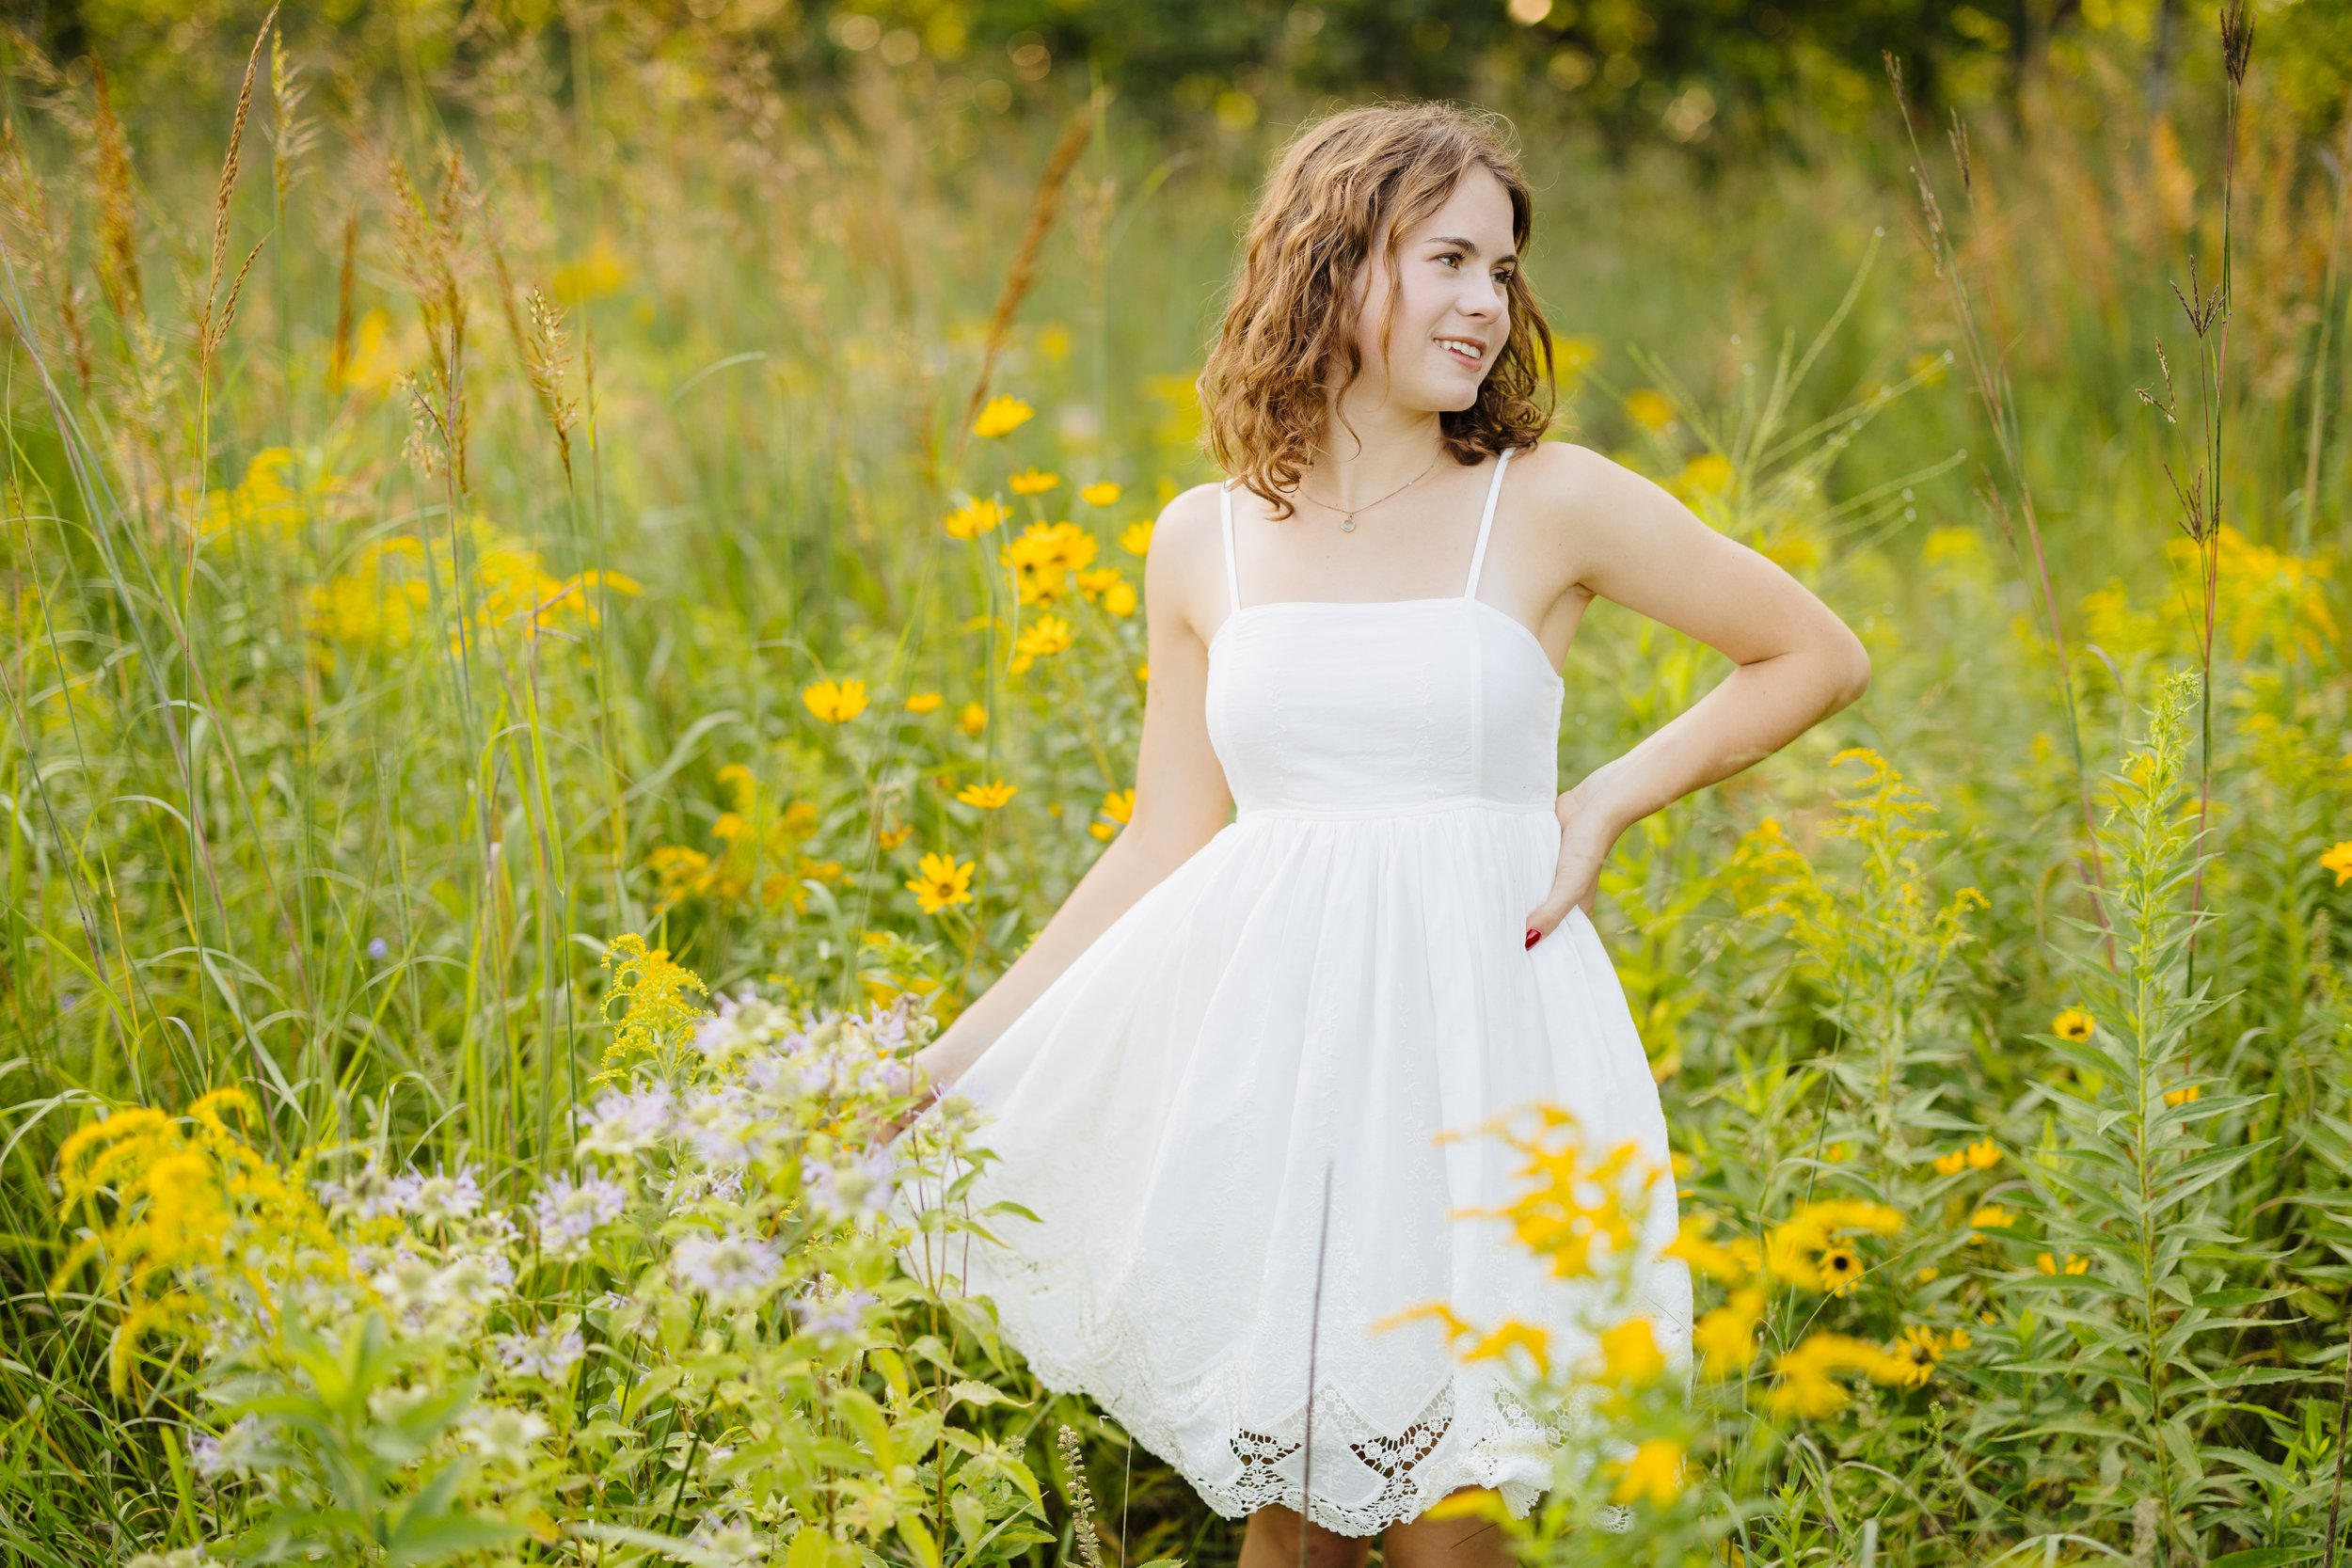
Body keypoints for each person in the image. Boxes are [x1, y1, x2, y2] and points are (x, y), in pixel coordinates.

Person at [883, 101, 1871, 1568]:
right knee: (1288, 1537)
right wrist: (944, 1064)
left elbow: (1811, 651)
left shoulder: (1546, 505)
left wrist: (1599, 797)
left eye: (1504, 271)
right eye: (1451, 259)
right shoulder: (1202, 537)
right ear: (1333, 262)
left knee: (1449, 1534)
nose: (1487, 303)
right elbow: (1163, 840)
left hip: (1478, 1056)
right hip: (1279, 1077)